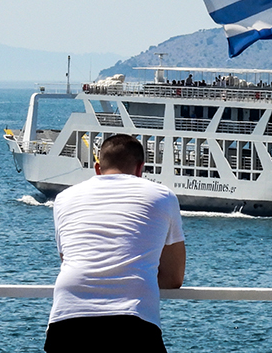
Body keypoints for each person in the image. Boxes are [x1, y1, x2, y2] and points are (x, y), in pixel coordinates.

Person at [45, 134, 185, 353]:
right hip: (132, 319)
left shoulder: (64, 198)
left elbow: (68, 259)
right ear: (140, 168)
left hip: (67, 319)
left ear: (97, 167)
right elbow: (173, 278)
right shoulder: (163, 196)